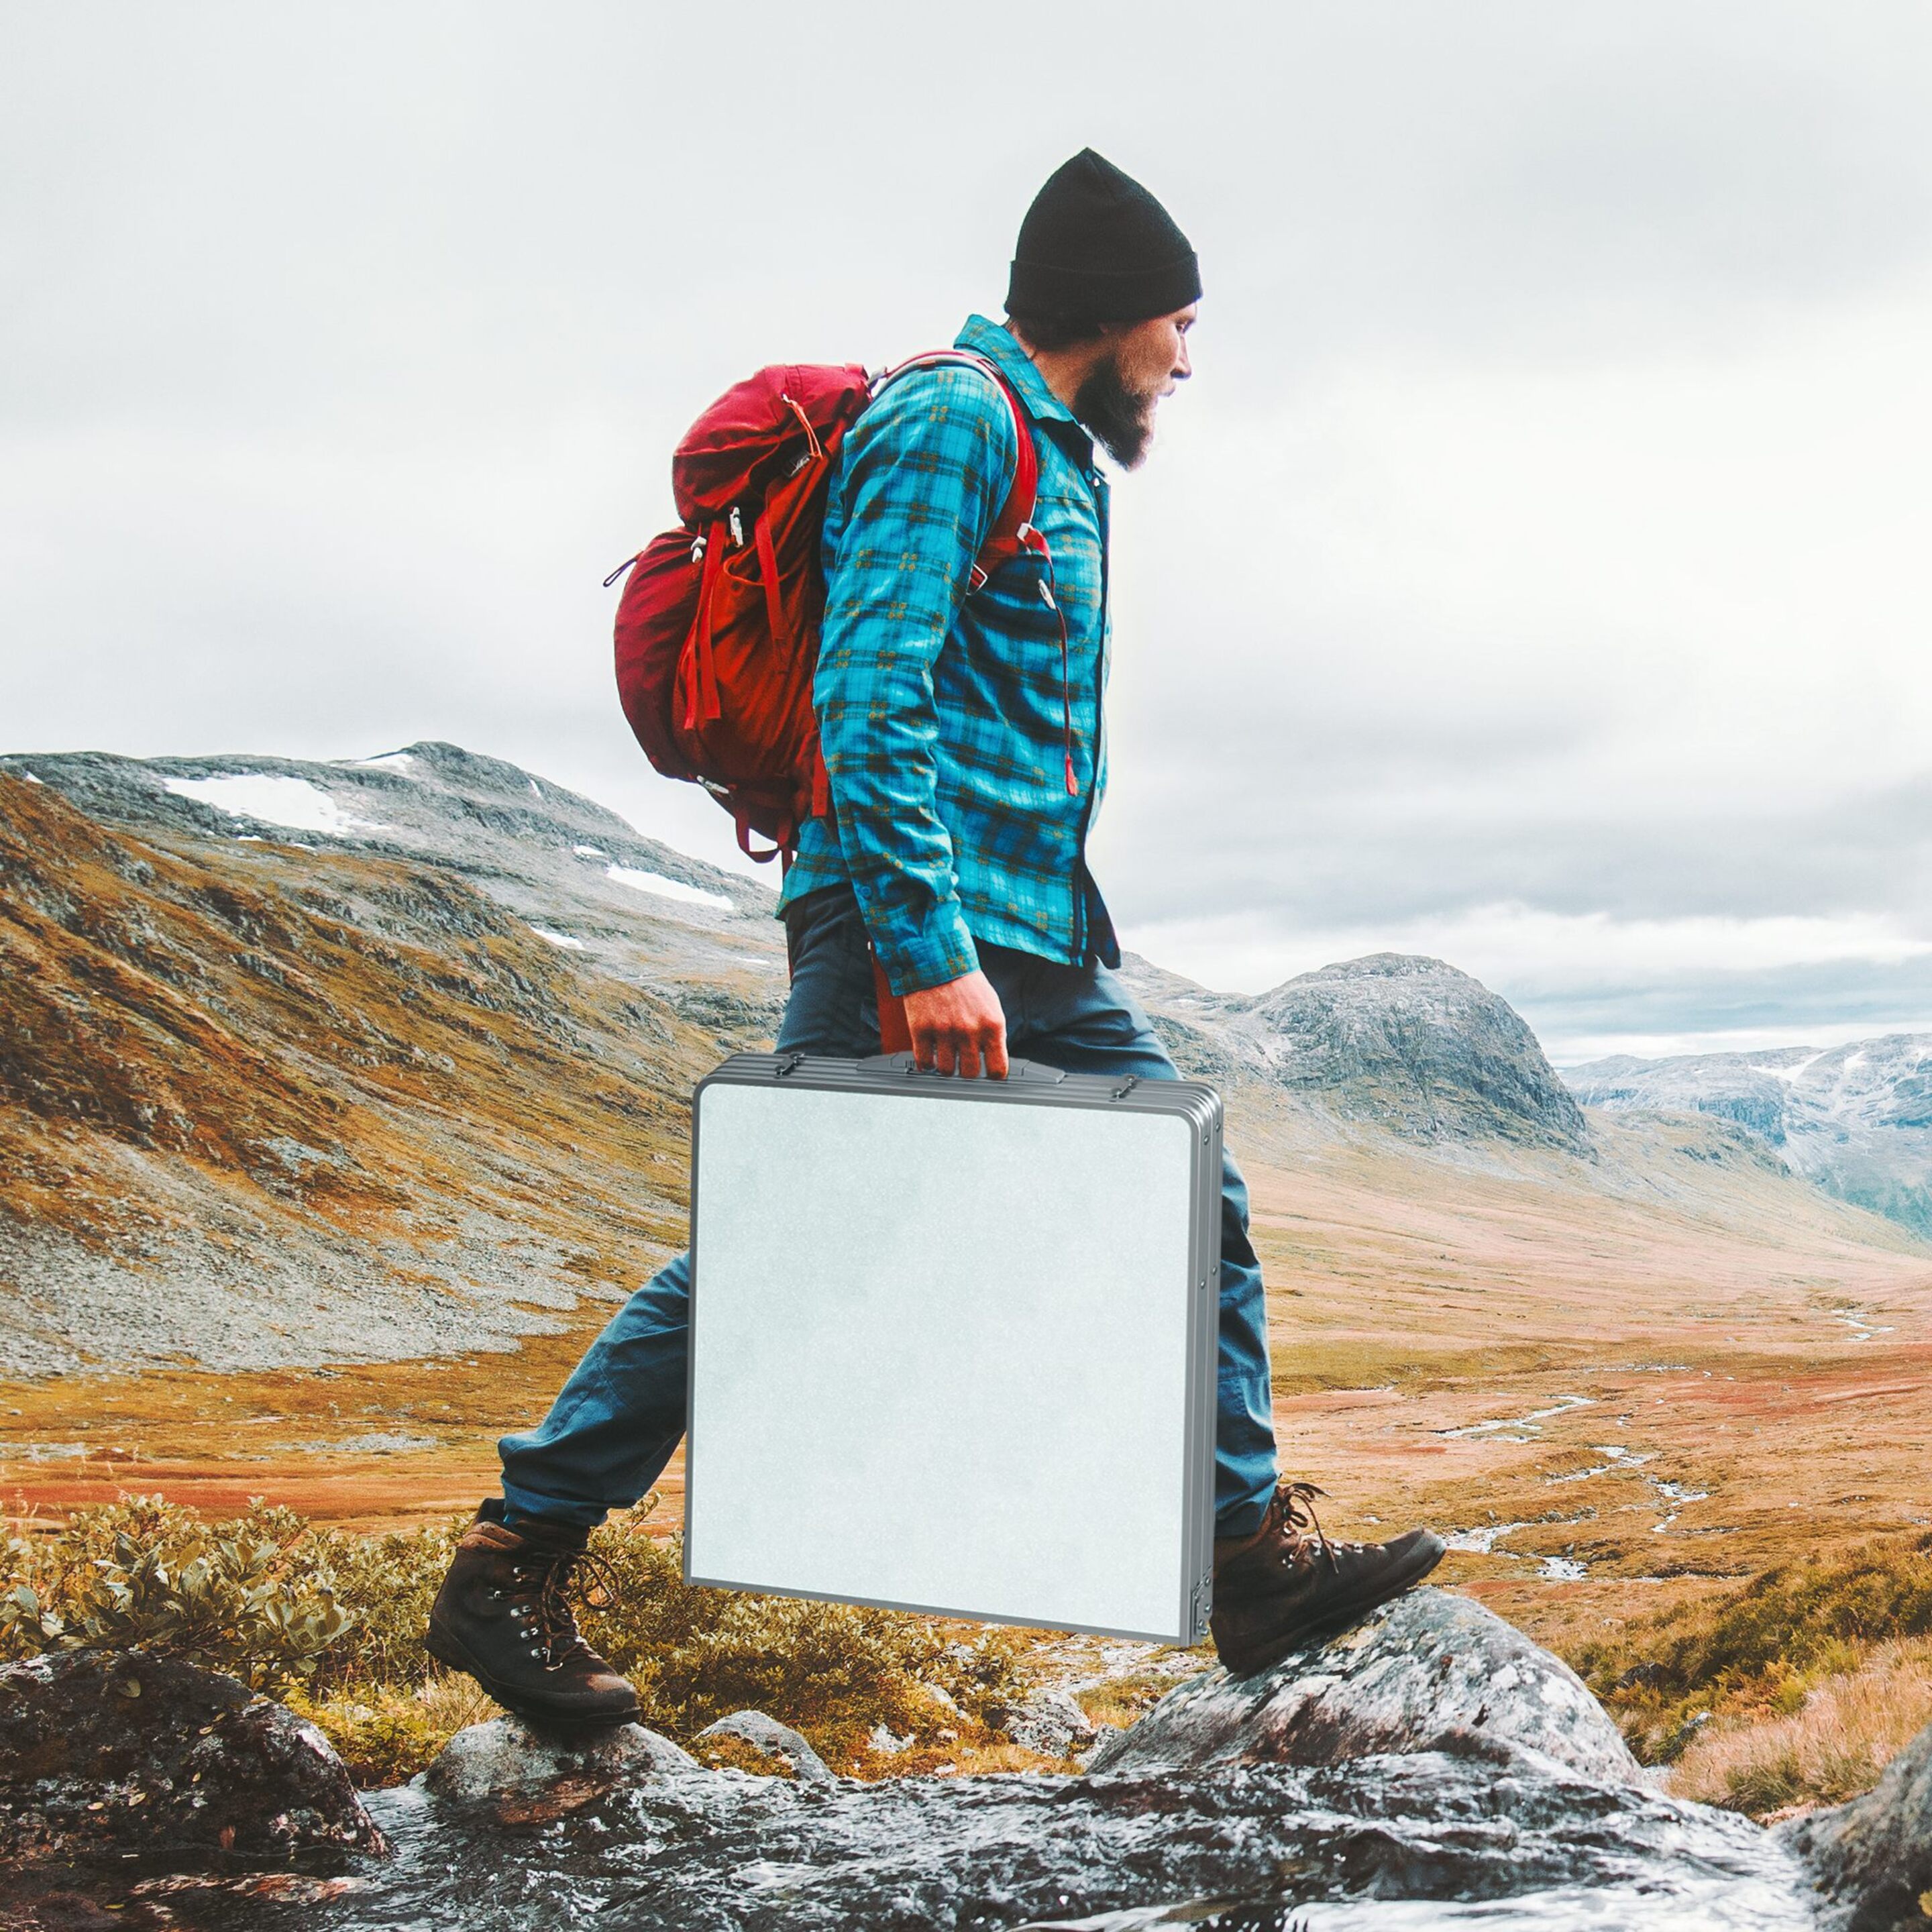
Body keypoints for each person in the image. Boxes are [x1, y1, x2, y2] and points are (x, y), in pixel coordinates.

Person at [427, 150, 1445, 1725]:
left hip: (1028, 933)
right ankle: (513, 1561)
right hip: (916, 924)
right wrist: (924, 948)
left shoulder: (1052, 456)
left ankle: (1244, 1561)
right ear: (1110, 318)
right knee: (790, 1245)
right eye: (1180, 322)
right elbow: (866, 691)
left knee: (1194, 1197)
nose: (1190, 355)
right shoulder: (954, 420)